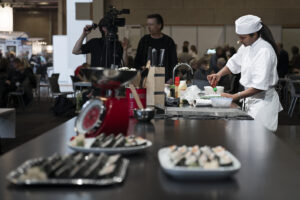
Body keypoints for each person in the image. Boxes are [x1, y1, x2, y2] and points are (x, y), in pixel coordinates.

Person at [207, 15, 282, 132]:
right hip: (250, 101)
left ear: (255, 34)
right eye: (239, 38)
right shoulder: (247, 46)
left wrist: (233, 97)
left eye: (243, 38)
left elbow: (259, 86)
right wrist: (219, 74)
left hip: (263, 104)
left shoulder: (264, 50)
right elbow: (234, 63)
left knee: (260, 143)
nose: (240, 41)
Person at [134, 14, 178, 82]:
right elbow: (137, 60)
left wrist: (172, 77)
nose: (148, 27)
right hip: (146, 79)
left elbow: (174, 61)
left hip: (164, 79)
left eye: (151, 24)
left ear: (159, 25)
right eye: (148, 24)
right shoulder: (144, 40)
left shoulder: (168, 41)